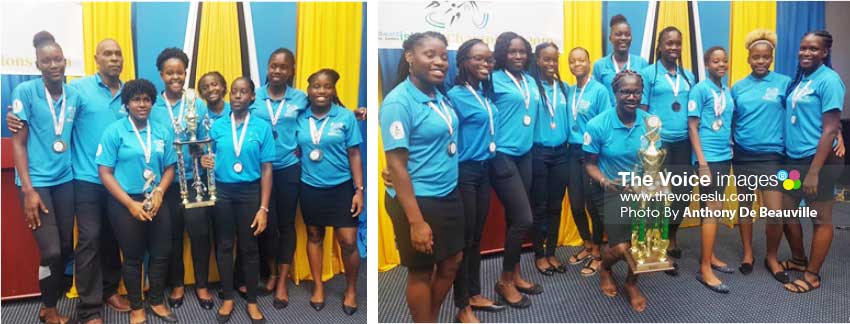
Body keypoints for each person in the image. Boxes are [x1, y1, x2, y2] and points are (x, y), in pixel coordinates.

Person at [6, 37, 132, 324]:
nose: (113, 59)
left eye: (118, 54)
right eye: (107, 54)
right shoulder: (76, 89)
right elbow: (21, 136)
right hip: (77, 178)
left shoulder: (117, 93)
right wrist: (27, 189)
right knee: (74, 243)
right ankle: (81, 308)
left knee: (97, 240)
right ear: (95, 58)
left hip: (100, 179)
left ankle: (106, 291)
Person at [379, 31, 463, 322]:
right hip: (417, 201)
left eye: (443, 55)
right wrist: (416, 222)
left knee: (452, 262)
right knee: (421, 272)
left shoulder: (439, 94)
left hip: (447, 193)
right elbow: (397, 166)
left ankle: (429, 316)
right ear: (409, 57)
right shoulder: (398, 103)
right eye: (430, 54)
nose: (440, 61)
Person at [10, 31, 80, 324]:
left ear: (65, 62)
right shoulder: (24, 92)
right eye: (46, 60)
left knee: (65, 247)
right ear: (37, 64)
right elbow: (18, 143)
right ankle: (49, 309)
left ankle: (47, 303)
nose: (54, 65)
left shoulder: (74, 94)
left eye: (58, 59)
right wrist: (28, 190)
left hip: (65, 180)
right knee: (51, 249)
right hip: (36, 183)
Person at [97, 79, 178, 324]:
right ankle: (136, 306)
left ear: (152, 102)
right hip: (125, 202)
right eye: (136, 99)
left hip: (155, 199)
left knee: (161, 252)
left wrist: (161, 192)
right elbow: (105, 172)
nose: (141, 104)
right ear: (127, 103)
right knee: (132, 256)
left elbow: (170, 167)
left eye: (146, 99)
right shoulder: (114, 131)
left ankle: (155, 300)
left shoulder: (162, 131)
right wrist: (130, 204)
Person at [584, 70, 656, 313]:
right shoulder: (597, 124)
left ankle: (631, 282)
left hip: (641, 188)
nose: (631, 96)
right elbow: (589, 164)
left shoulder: (650, 123)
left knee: (642, 243)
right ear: (615, 93)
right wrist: (605, 181)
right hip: (609, 190)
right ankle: (605, 267)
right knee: (622, 247)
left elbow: (654, 162)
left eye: (636, 91)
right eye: (625, 91)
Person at [780, 30, 845, 293]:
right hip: (794, 159)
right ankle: (798, 258)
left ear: (825, 52)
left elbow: (830, 128)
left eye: (813, 49)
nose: (806, 53)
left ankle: (812, 275)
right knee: (785, 211)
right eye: (803, 48)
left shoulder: (829, 80)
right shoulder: (802, 79)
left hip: (819, 162)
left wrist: (814, 173)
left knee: (820, 219)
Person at [149, 48, 214, 310]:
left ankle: (201, 285)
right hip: (167, 184)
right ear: (161, 74)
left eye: (180, 72)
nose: (175, 76)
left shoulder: (197, 104)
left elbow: (202, 141)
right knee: (172, 236)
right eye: (169, 72)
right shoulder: (152, 105)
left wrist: (204, 156)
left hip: (194, 179)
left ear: (186, 73)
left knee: (199, 234)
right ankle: (177, 283)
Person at [446, 38, 504, 323]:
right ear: (463, 62)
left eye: (489, 59)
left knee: (476, 238)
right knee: (464, 241)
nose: (485, 64)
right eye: (478, 59)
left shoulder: (483, 92)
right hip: (465, 172)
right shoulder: (455, 95)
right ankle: (462, 307)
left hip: (484, 170)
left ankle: (474, 293)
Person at [203, 77, 271, 323]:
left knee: (249, 247)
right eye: (234, 92)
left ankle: (252, 301)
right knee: (223, 245)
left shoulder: (262, 127)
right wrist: (205, 161)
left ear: (252, 96)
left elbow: (267, 169)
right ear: (229, 95)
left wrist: (263, 207)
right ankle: (228, 298)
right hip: (222, 192)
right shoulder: (218, 125)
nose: (238, 96)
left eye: (243, 92)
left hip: (250, 193)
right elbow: (207, 155)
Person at [296, 69, 364, 315]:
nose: (321, 91)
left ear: (333, 90)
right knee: (314, 235)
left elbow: (354, 153)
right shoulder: (300, 118)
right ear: (309, 89)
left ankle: (352, 289)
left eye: (326, 86)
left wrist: (359, 190)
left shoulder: (345, 117)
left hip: (342, 188)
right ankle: (318, 286)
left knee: (347, 242)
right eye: (316, 86)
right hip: (310, 187)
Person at [730, 30, 793, 280]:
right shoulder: (738, 87)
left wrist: (838, 134)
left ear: (771, 58)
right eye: (755, 57)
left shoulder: (784, 83)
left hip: (772, 156)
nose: (760, 61)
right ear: (748, 58)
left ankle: (772, 256)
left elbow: (800, 112)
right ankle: (747, 253)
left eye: (765, 57)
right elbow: (731, 119)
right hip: (744, 156)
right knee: (745, 207)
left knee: (775, 212)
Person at [249, 48, 308, 306]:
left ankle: (282, 281)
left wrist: (355, 113)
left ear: (292, 70)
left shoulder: (301, 98)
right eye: (273, 65)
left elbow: (324, 112)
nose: (277, 71)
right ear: (267, 67)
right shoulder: (254, 96)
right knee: (266, 226)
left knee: (285, 226)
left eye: (284, 67)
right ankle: (271, 273)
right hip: (259, 170)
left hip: (287, 168)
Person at [489, 31, 541, 308]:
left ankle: (517, 273)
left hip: (526, 155)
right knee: (524, 219)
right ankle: (504, 281)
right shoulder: (492, 80)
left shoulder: (530, 81)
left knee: (514, 219)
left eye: (523, 51)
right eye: (512, 52)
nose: (519, 56)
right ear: (502, 54)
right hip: (502, 156)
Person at [639, 27, 695, 273]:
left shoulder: (689, 76)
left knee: (682, 195)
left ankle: (672, 237)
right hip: (657, 145)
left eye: (678, 43)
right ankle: (657, 249)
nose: (674, 47)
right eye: (669, 43)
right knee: (658, 197)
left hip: (683, 143)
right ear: (660, 46)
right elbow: (641, 109)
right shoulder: (648, 74)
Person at [687, 46, 735, 293]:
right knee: (711, 210)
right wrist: (702, 163)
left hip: (724, 156)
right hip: (708, 159)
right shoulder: (700, 89)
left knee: (712, 209)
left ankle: (711, 256)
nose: (721, 64)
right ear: (707, 63)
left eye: (724, 61)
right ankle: (705, 268)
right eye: (716, 61)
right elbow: (693, 127)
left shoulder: (725, 90)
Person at [565, 47, 613, 276]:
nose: (577, 64)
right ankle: (586, 243)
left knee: (593, 206)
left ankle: (597, 251)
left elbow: (605, 123)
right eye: (572, 61)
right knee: (576, 203)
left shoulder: (600, 91)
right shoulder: (570, 91)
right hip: (572, 153)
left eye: (581, 60)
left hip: (591, 154)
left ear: (589, 62)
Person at [529, 42, 570, 277]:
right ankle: (539, 255)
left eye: (554, 59)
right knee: (540, 207)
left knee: (556, 207)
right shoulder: (532, 88)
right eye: (546, 59)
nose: (551, 64)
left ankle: (552, 252)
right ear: (537, 60)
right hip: (539, 154)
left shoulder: (564, 88)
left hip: (561, 154)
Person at [593, 14, 649, 105]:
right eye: (618, 34)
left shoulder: (642, 63)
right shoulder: (599, 65)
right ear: (610, 38)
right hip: (608, 116)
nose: (623, 38)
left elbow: (644, 97)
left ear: (631, 38)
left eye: (627, 35)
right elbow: (597, 97)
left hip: (634, 116)